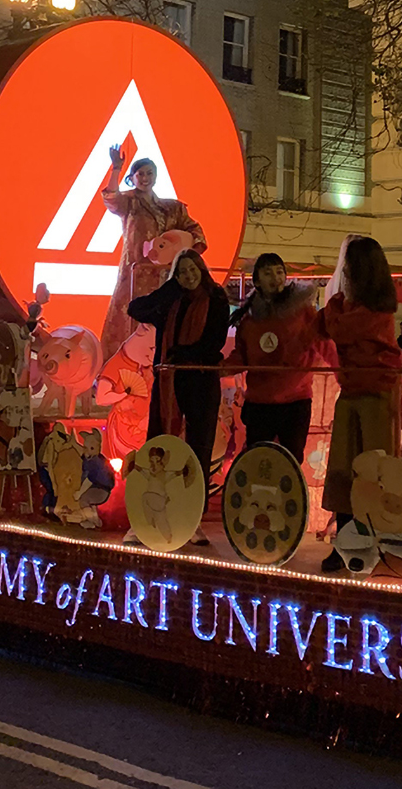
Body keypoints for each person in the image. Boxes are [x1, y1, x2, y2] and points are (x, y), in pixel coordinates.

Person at [128, 249, 230, 546]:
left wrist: (180, 355)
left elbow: (214, 343)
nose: (189, 276)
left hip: (199, 380)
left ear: (202, 269)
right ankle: (146, 521)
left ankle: (192, 519)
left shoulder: (216, 298)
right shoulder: (170, 302)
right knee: (158, 440)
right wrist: (169, 288)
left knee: (199, 448)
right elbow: (136, 309)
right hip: (169, 381)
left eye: (192, 270)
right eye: (182, 271)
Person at [316, 236, 401, 573]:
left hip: (374, 396)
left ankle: (374, 542)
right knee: (344, 472)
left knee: (371, 474)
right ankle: (348, 542)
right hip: (355, 393)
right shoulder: (367, 307)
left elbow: (335, 329)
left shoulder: (370, 310)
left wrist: (332, 304)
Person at [99, 146, 208, 362]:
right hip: (136, 275)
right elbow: (111, 198)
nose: (145, 178)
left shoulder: (172, 208)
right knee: (130, 321)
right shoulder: (130, 202)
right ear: (133, 178)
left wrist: (186, 260)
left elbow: (195, 232)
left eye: (149, 173)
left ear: (156, 176)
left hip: (166, 277)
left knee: (166, 326)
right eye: (140, 174)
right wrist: (116, 169)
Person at [226, 252, 330, 461]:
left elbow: (324, 345)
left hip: (296, 402)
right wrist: (215, 369)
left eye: (279, 272)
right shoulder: (249, 321)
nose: (275, 278)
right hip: (260, 402)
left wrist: (344, 371)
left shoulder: (303, 312)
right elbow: (242, 357)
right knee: (257, 459)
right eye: (268, 273)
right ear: (257, 281)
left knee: (291, 461)